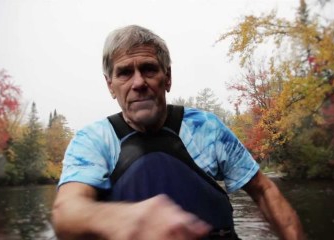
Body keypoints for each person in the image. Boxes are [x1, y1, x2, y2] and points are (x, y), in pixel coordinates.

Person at [52, 25, 305, 240]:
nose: (138, 83)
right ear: (110, 85)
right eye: (125, 72)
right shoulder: (93, 140)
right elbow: (66, 213)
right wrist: (122, 217)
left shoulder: (207, 128)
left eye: (149, 69)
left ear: (168, 77)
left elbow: (263, 189)